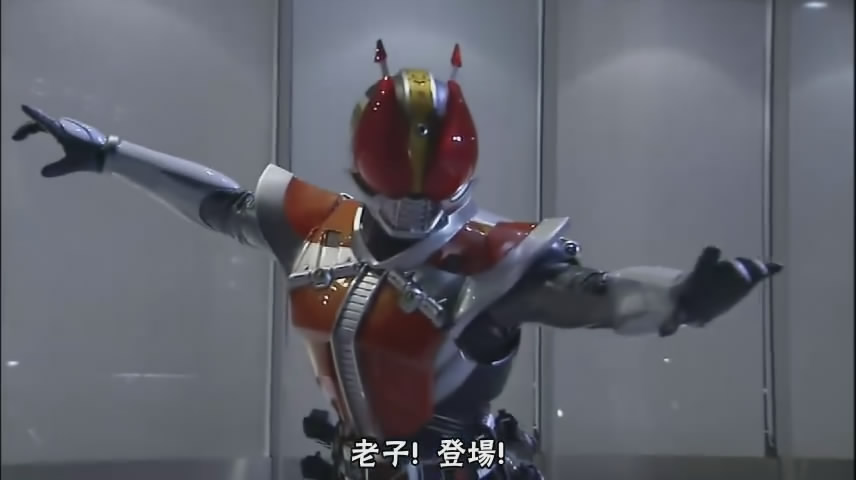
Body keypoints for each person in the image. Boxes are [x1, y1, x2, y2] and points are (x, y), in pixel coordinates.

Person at [11, 40, 780, 480]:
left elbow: (595, 295)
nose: (413, 210)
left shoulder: (498, 259)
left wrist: (680, 297)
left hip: (467, 463)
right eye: (396, 191)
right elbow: (223, 206)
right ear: (360, 174)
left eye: (430, 194)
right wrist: (112, 152)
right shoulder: (318, 229)